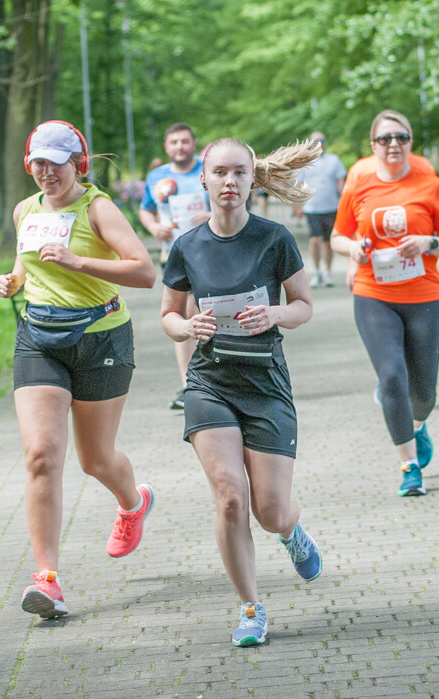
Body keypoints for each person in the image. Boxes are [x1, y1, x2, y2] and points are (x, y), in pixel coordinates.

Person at [160, 136, 324, 648]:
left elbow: (303, 305)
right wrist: (187, 329)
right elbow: (168, 314)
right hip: (210, 383)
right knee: (231, 496)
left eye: (239, 173)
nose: (229, 182)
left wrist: (274, 313)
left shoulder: (275, 238)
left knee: (269, 509)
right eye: (220, 173)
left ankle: (291, 532)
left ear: (253, 180)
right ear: (203, 179)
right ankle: (250, 607)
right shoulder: (186, 245)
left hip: (265, 383)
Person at [0, 120, 158, 619]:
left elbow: (144, 272)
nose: (47, 173)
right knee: (42, 454)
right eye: (38, 163)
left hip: (101, 337)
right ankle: (47, 579)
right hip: (39, 339)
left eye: (56, 163)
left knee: (94, 459)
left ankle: (133, 502)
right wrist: (13, 280)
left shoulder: (98, 208)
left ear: (77, 164)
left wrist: (78, 262)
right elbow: (29, 266)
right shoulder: (26, 209)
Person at [330, 110, 439, 497]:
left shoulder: (430, 184)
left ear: (411, 142)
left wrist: (428, 242)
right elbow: (339, 236)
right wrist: (355, 249)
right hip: (374, 294)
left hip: (423, 295)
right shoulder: (360, 181)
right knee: (392, 378)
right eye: (385, 138)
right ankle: (409, 467)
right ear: (373, 144)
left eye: (401, 137)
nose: (393, 145)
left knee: (423, 394)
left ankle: (417, 424)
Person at [139, 123, 211, 410]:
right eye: (173, 142)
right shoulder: (156, 176)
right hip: (173, 255)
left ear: (193, 144)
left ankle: (205, 378)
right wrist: (154, 227)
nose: (179, 147)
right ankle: (188, 384)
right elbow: (146, 209)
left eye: (184, 141)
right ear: (166, 147)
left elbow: (234, 201)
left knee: (198, 313)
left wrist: (211, 214)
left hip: (208, 252)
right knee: (179, 316)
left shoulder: (208, 170)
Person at [295, 131, 347, 287]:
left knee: (327, 242)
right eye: (314, 142)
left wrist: (345, 202)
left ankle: (327, 273)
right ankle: (316, 271)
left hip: (331, 206)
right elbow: (298, 185)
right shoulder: (304, 162)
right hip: (312, 207)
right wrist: (297, 205)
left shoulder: (334, 160)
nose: (317, 144)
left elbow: (341, 182)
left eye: (320, 141)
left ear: (325, 143)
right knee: (314, 239)